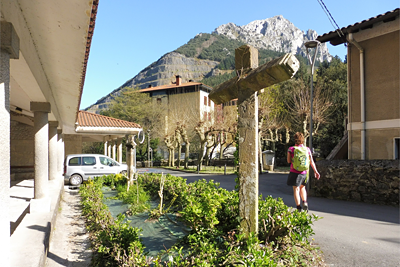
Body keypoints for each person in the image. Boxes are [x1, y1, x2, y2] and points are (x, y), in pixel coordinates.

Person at [287, 132, 320, 212]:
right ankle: (304, 202)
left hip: (295, 172)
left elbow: (288, 161)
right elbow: (311, 161)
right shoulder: (307, 149)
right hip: (305, 172)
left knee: (296, 189)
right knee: (303, 188)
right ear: (303, 140)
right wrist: (316, 171)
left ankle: (298, 207)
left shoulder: (291, 149)